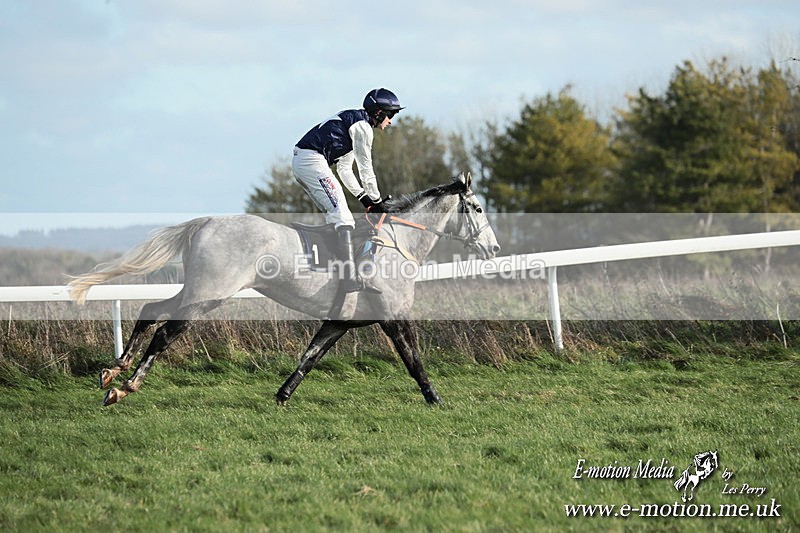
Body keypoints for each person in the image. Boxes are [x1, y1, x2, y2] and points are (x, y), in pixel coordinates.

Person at [292, 88, 403, 293]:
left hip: (306, 161)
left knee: (336, 217)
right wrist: (377, 201)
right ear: (379, 112)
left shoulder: (355, 123)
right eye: (391, 115)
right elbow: (365, 168)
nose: (391, 121)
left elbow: (345, 169)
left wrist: (365, 199)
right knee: (343, 216)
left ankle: (331, 268)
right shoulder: (362, 128)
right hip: (311, 161)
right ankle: (349, 278)